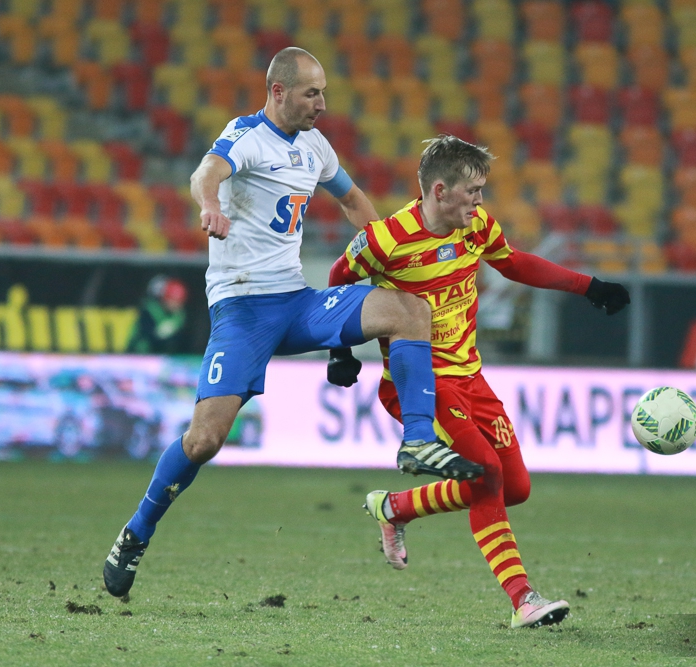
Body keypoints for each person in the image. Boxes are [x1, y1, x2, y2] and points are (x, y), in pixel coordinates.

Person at [102, 49, 484, 598]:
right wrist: (210, 206)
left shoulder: (315, 146)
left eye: (323, 92)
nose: (322, 104)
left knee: (408, 310)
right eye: (312, 93)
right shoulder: (245, 136)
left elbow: (353, 201)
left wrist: (389, 253)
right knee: (205, 440)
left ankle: (419, 441)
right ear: (278, 91)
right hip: (242, 309)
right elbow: (205, 173)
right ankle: (136, 532)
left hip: (296, 301)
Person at [327, 135, 630, 628]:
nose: (480, 200)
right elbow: (339, 279)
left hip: (471, 378)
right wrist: (339, 350)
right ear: (440, 191)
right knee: (486, 471)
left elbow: (513, 262)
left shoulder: (476, 226)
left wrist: (588, 286)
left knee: (515, 487)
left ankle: (395, 507)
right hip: (420, 383)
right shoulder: (387, 240)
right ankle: (523, 599)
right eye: (473, 191)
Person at [128, 275, 189, 354]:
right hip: (140, 353)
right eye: (172, 300)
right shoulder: (150, 309)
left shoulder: (180, 315)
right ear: (165, 298)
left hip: (167, 354)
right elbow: (147, 334)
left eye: (179, 301)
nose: (175, 304)